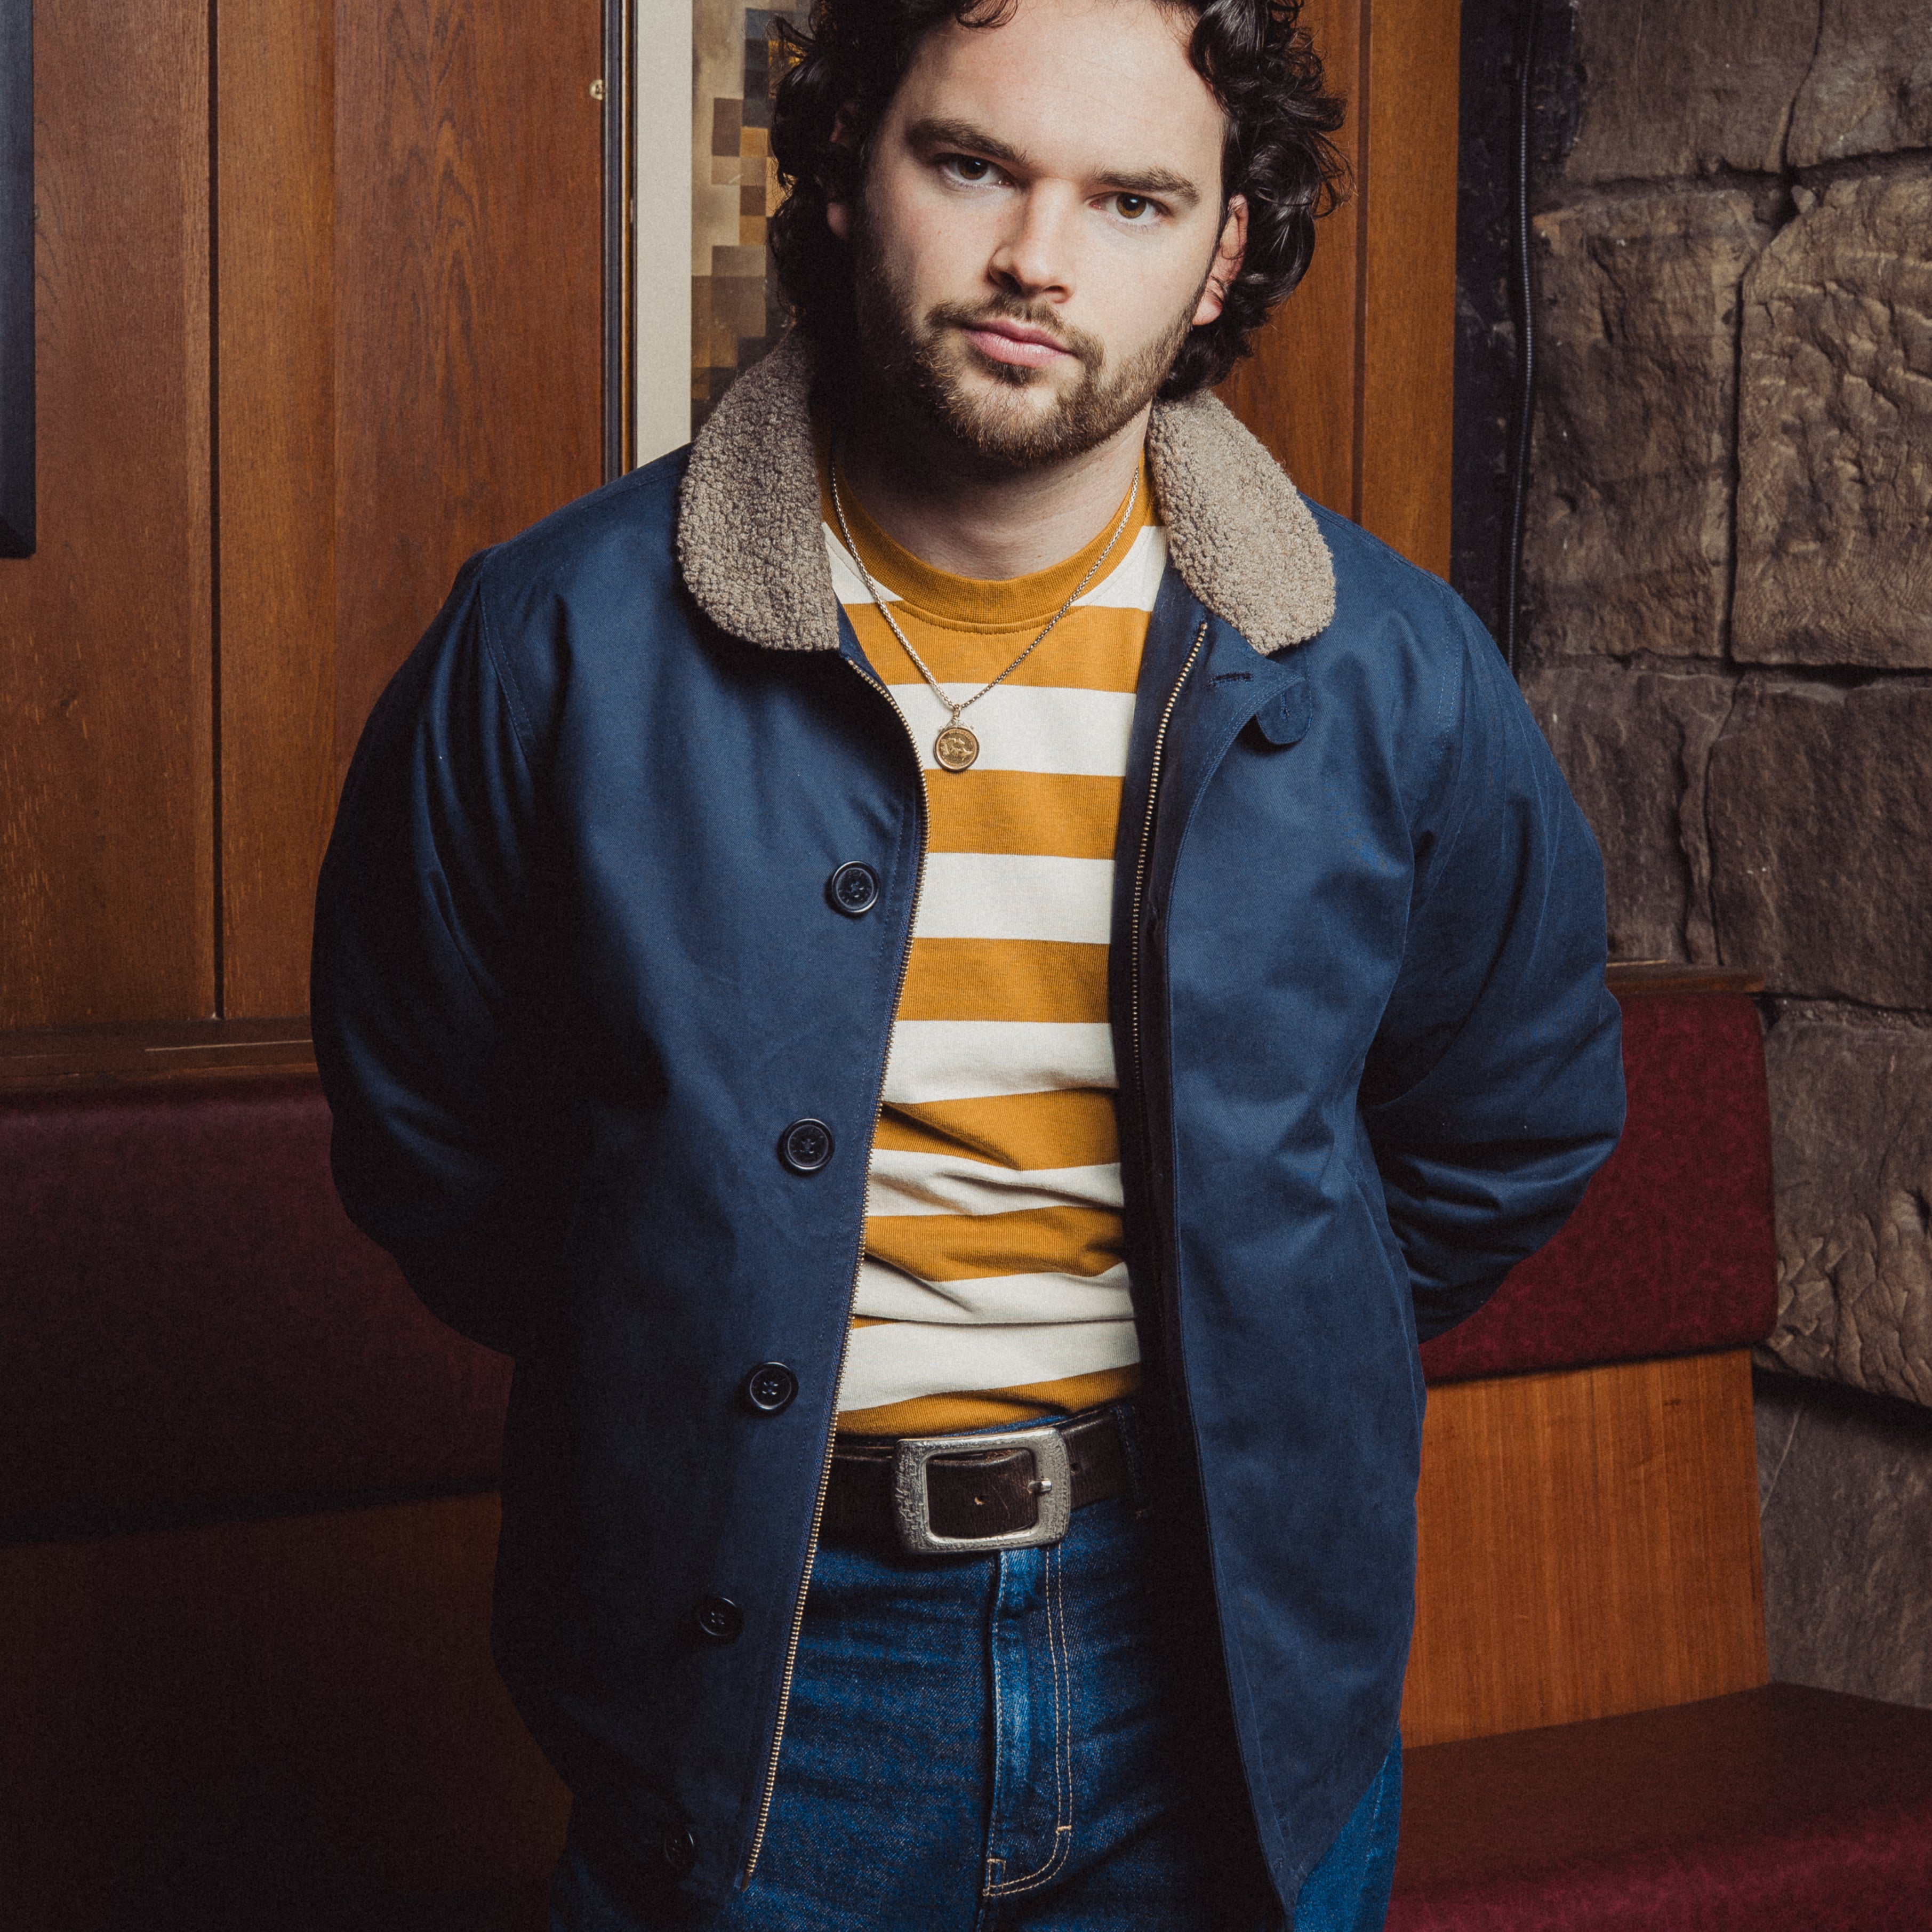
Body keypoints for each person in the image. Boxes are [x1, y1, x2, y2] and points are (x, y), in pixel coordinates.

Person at [310, 0, 1625, 1923]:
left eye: (1135, 198)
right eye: (973, 164)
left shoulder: (1386, 674)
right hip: (751, 1663)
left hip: (1227, 1656)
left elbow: (1504, 1126)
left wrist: (1257, 1343)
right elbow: (433, 1135)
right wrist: (680, 1335)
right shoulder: (552, 642)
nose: (1038, 257)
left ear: (1223, 253)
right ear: (845, 165)